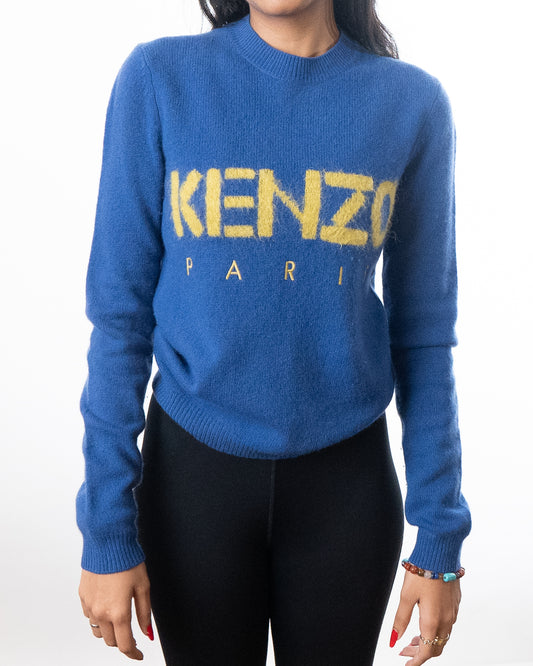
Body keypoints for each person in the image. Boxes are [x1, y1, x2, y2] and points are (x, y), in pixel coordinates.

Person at [76, 0, 472, 664]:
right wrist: (106, 530)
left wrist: (439, 537)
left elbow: (423, 336)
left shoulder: (411, 104)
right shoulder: (159, 78)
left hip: (346, 489)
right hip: (191, 482)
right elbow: (119, 320)